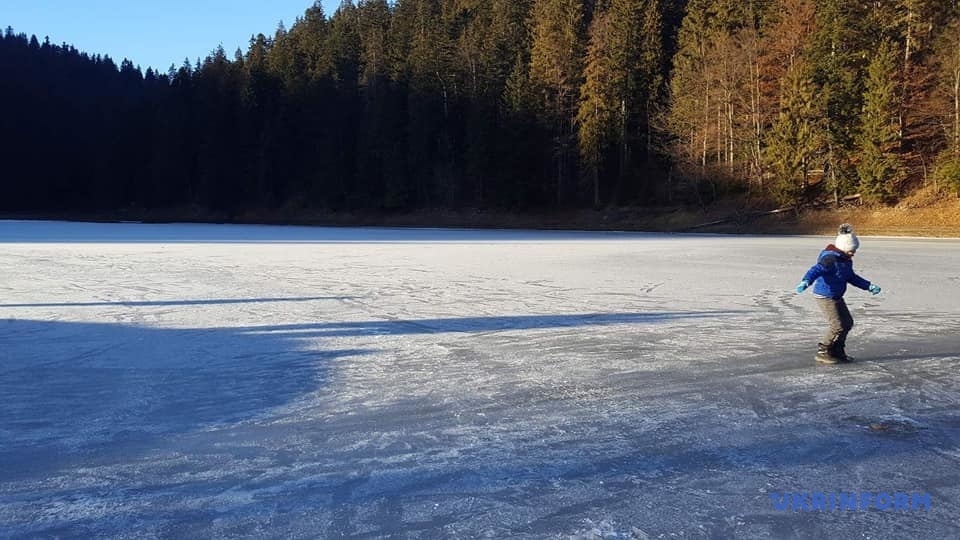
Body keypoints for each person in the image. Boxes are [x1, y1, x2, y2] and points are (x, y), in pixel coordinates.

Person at [796, 224, 881, 364]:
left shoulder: (845, 261)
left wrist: (869, 286)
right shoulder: (830, 259)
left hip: (836, 296)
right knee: (837, 326)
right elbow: (815, 270)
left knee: (847, 323)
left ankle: (837, 350)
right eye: (851, 250)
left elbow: (851, 277)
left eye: (854, 250)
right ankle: (823, 351)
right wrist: (806, 281)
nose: (853, 253)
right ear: (843, 248)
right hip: (825, 296)